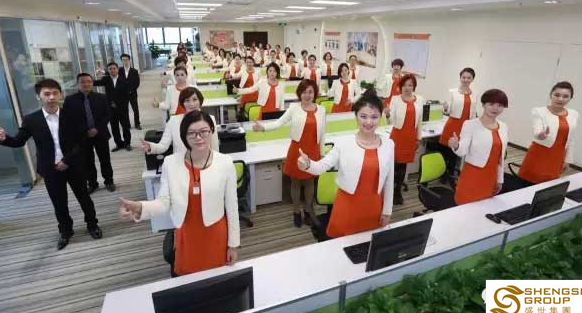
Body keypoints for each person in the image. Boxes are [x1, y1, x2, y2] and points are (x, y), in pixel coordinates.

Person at [120, 111, 239, 276]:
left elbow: (232, 207)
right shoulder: (171, 163)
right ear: (184, 136)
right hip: (187, 233)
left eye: (204, 131)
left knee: (216, 280)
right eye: (191, 133)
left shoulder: (225, 162)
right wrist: (140, 207)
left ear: (212, 131)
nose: (198, 137)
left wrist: (233, 245)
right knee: (188, 280)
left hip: (215, 232)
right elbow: (164, 202)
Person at [0, 79, 101, 250]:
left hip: (73, 164)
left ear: (60, 94)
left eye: (55, 93)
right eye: (47, 94)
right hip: (50, 169)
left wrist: (66, 160)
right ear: (39, 96)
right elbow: (19, 141)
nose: (51, 97)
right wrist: (3, 139)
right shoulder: (31, 119)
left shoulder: (72, 115)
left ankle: (92, 225)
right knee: (59, 203)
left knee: (84, 198)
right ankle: (66, 231)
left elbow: (82, 142)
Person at [297, 90, 394, 238]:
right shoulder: (344, 143)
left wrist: (387, 210)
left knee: (368, 243)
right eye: (363, 116)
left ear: (380, 117)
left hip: (374, 205)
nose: (368, 122)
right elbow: (321, 167)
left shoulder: (388, 144)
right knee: (343, 244)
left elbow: (389, 180)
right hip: (348, 204)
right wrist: (308, 164)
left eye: (374, 117)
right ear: (356, 116)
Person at [252, 79, 325, 227]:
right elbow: (279, 122)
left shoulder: (321, 110)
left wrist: (322, 152)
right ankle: (296, 211)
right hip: (297, 150)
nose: (307, 95)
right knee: (296, 182)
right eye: (304, 92)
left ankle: (308, 210)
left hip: (313, 150)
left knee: (310, 182)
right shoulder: (294, 108)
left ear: (315, 93)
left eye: (310, 92)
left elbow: (323, 132)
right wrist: (263, 128)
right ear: (299, 93)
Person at [448, 89, 509, 205]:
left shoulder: (504, 127)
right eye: (491, 104)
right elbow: (462, 150)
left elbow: (500, 158)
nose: (495, 108)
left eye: (500, 105)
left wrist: (500, 180)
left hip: (491, 177)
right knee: (465, 208)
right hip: (473, 176)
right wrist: (456, 145)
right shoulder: (470, 124)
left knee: (484, 209)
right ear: (483, 104)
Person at [518, 81, 578, 184]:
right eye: (557, 95)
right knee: (525, 182)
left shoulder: (574, 114)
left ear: (570, 98)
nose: (560, 99)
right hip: (540, 153)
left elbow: (571, 139)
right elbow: (537, 130)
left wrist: (568, 160)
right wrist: (541, 135)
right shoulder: (539, 111)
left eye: (565, 96)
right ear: (551, 95)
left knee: (547, 185)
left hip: (558, 156)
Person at [64, 73, 115, 193]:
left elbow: (107, 115)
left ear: (92, 83)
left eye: (89, 81)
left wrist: (96, 128)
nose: (86, 84)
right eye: (82, 82)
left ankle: (109, 181)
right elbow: (69, 119)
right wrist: (85, 131)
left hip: (100, 133)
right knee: (87, 161)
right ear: (77, 84)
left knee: (105, 159)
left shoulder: (101, 97)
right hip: (82, 136)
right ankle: (92, 183)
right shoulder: (70, 100)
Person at [142, 87, 219, 155]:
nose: (191, 104)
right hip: (181, 162)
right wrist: (151, 147)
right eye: (187, 101)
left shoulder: (210, 119)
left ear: (200, 101)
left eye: (195, 99)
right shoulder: (173, 121)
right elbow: (163, 146)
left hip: (205, 162)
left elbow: (215, 147)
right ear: (183, 103)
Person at [389, 74, 424, 205]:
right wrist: (387, 114)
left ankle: (397, 191)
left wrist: (418, 138)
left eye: (410, 85)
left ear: (414, 87)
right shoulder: (395, 99)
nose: (407, 87)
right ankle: (388, 191)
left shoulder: (419, 100)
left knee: (403, 166)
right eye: (404, 85)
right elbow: (391, 120)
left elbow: (420, 121)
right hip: (398, 136)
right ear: (400, 86)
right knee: (393, 165)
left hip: (410, 136)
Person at [438, 68, 478, 181]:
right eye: (463, 77)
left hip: (466, 126)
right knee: (447, 151)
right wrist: (445, 107)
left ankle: (451, 174)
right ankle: (442, 175)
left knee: (458, 151)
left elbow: (474, 112)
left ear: (472, 79)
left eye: (468, 78)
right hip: (453, 124)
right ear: (460, 78)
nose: (465, 80)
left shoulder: (474, 94)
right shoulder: (453, 92)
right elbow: (447, 109)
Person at [95, 62, 132, 151]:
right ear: (108, 70)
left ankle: (127, 143)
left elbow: (127, 95)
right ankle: (119, 144)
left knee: (125, 127)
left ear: (117, 69)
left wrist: (119, 104)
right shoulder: (106, 79)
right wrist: (94, 75)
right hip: (111, 109)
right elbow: (94, 83)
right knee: (114, 127)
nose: (112, 70)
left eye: (114, 68)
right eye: (110, 69)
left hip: (122, 108)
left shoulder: (124, 79)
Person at [120, 53, 141, 130]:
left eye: (126, 60)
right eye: (123, 60)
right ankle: (127, 124)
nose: (125, 61)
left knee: (135, 109)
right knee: (125, 110)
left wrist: (131, 90)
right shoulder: (119, 70)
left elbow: (137, 82)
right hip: (122, 94)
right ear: (121, 61)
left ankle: (137, 124)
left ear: (129, 60)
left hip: (132, 94)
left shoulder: (134, 71)